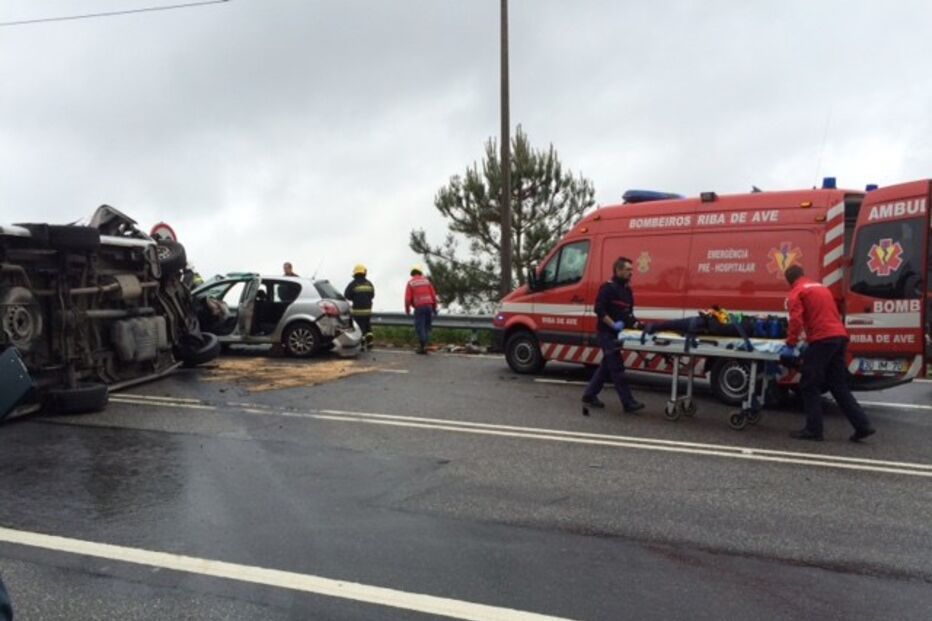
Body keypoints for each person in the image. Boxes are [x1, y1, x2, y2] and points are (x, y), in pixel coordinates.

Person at [783, 265, 875, 442]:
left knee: (809, 384)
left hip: (822, 339)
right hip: (839, 337)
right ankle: (863, 425)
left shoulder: (797, 291)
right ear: (803, 274)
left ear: (789, 280)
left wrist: (791, 344)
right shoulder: (821, 288)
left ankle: (813, 430)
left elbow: (795, 319)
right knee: (837, 384)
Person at [581, 257, 646, 414]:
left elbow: (628, 314)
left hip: (619, 334)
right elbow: (599, 310)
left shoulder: (628, 291)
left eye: (632, 269)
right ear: (618, 270)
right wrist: (613, 324)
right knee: (617, 368)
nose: (631, 272)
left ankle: (589, 395)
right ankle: (628, 403)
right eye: (628, 269)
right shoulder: (607, 288)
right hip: (606, 333)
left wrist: (638, 325)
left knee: (606, 367)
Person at [404, 266, 438, 354]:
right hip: (429, 306)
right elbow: (433, 296)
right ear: (420, 272)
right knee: (427, 326)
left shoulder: (411, 283)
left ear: (412, 273)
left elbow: (408, 299)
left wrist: (408, 310)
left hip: (419, 307)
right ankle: (425, 345)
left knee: (420, 327)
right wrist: (434, 308)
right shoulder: (427, 281)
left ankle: (423, 347)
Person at [345, 264, 375, 351]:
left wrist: (354, 298)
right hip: (368, 311)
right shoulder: (369, 284)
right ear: (364, 273)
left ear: (355, 274)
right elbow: (372, 295)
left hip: (358, 311)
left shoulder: (353, 284)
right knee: (368, 327)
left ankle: (361, 345)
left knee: (360, 328)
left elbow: (347, 295)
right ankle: (370, 344)